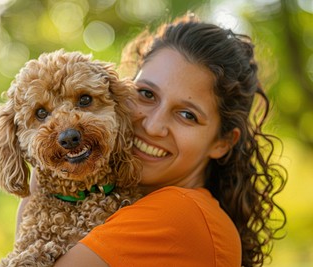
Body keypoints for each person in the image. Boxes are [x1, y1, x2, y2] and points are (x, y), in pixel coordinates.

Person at [17, 13, 287, 267]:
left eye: (187, 115)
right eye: (146, 94)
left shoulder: (181, 214)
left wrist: (42, 177)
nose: (154, 126)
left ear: (223, 142)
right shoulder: (123, 204)